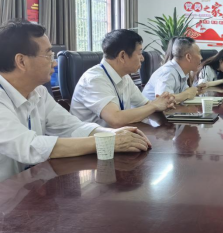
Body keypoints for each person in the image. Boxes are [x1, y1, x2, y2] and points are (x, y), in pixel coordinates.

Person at [0, 20, 152, 181]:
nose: (54, 63)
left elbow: (72, 127)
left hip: (30, 185)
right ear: (21, 61)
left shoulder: (39, 92)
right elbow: (30, 146)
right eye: (48, 55)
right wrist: (105, 142)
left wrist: (111, 134)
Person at [71, 29, 176, 128]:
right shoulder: (94, 80)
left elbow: (145, 104)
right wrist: (154, 106)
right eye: (139, 53)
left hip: (118, 136)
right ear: (122, 56)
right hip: (93, 140)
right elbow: (115, 119)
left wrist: (163, 103)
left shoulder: (124, 77)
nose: (142, 58)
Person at [142, 37, 205, 104]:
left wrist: (195, 90)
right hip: (148, 111)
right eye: (199, 53)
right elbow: (164, 101)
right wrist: (187, 94)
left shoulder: (181, 71)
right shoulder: (168, 73)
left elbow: (184, 94)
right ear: (188, 57)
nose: (201, 58)